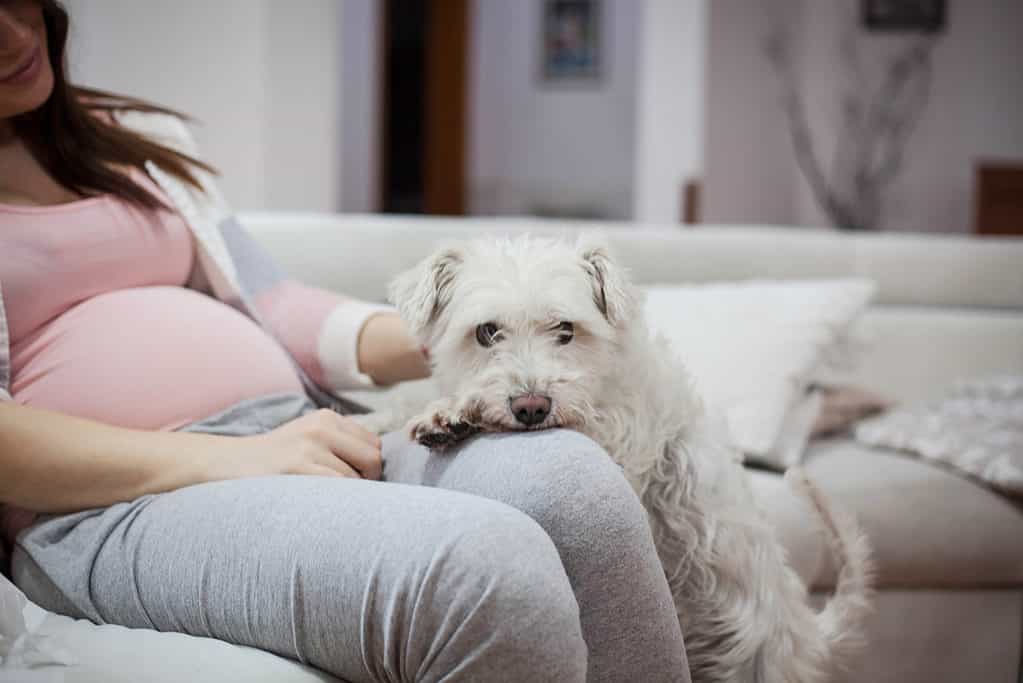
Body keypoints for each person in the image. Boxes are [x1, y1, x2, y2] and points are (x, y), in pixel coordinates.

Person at [0, 2, 689, 681]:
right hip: (111, 502)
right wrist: (228, 457)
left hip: (305, 432)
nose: (10, 34)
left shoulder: (128, 138)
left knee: (573, 484)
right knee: (488, 571)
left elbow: (274, 302)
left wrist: (478, 329)